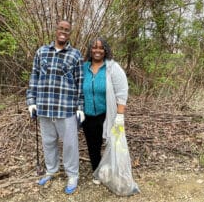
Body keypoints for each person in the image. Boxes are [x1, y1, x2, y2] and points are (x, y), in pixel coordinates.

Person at [26, 20, 84, 194]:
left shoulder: (75, 55)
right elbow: (34, 77)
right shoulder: (41, 52)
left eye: (67, 30)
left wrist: (80, 106)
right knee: (49, 142)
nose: (63, 32)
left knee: (70, 144)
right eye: (61, 29)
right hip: (44, 107)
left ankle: (72, 174)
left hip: (66, 108)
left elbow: (80, 82)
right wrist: (31, 101)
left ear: (69, 33)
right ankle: (51, 170)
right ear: (55, 30)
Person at [82, 36, 128, 185]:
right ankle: (97, 172)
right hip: (88, 115)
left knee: (112, 143)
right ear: (90, 49)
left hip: (107, 114)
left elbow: (122, 92)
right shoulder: (84, 68)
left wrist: (120, 116)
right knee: (93, 146)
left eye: (101, 48)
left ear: (105, 50)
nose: (97, 50)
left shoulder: (112, 68)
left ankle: (113, 170)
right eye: (94, 47)